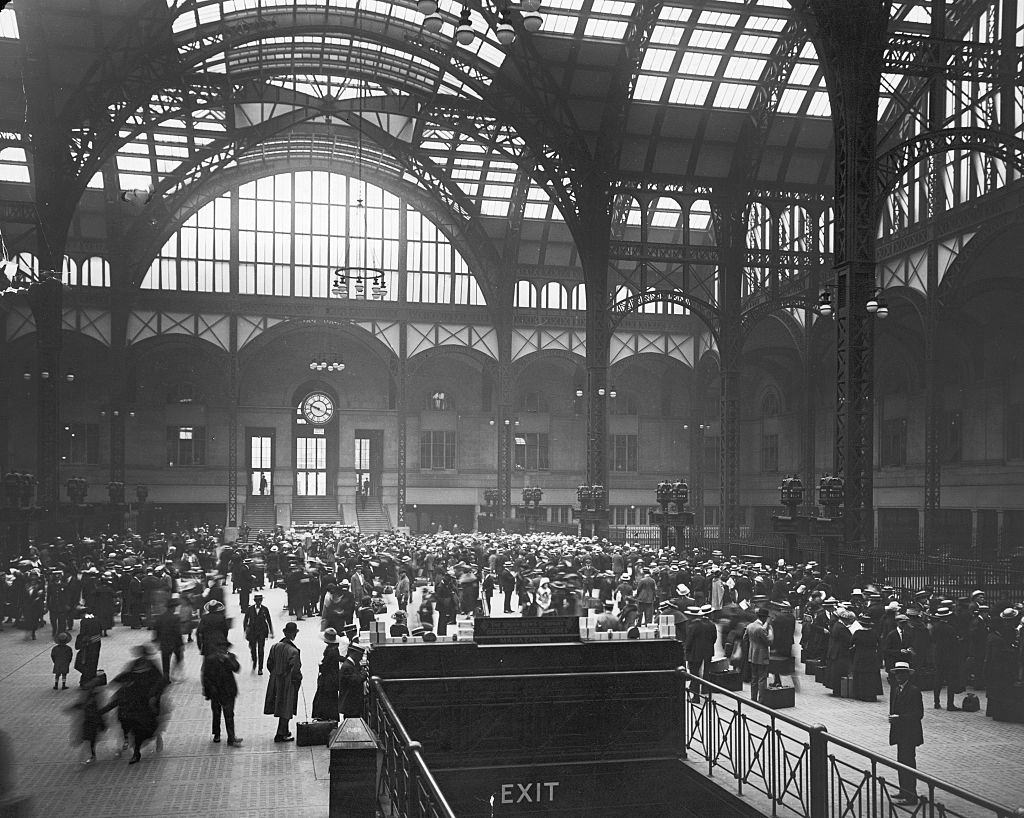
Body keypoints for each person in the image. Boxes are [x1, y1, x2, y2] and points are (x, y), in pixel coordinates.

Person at [103, 645, 167, 765]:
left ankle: (138, 750)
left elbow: (160, 682)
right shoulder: (135, 665)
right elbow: (125, 676)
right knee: (130, 723)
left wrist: (154, 695)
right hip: (134, 701)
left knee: (144, 725)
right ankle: (134, 746)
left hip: (146, 701)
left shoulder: (152, 667)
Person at [887, 661, 924, 806]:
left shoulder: (913, 691)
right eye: (897, 673)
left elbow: (918, 714)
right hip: (900, 733)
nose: (898, 676)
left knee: (908, 762)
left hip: (909, 733)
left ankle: (911, 795)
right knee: (901, 762)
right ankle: (904, 790)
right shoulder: (897, 689)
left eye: (901, 673)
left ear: (907, 674)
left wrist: (900, 718)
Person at [264, 621, 302, 742]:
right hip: (288, 682)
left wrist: (275, 674)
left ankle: (284, 730)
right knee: (287, 706)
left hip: (275, 681)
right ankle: (281, 734)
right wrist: (297, 681)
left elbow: (269, 663)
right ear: (293, 634)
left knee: (281, 706)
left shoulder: (275, 646)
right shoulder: (294, 651)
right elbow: (296, 670)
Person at [201, 641, 243, 746]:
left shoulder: (230, 657)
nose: (223, 651)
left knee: (229, 714)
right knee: (216, 713)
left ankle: (231, 737)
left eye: (225, 649)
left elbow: (237, 668)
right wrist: (207, 691)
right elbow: (205, 676)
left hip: (228, 691)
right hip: (215, 691)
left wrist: (228, 660)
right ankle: (217, 734)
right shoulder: (210, 660)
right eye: (220, 649)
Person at [65, 677, 106, 765]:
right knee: (88, 739)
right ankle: (91, 755)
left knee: (89, 739)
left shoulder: (94, 697)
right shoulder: (90, 695)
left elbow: (97, 709)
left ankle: (91, 756)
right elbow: (82, 704)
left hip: (92, 721)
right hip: (89, 720)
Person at [929, 607, 961, 711]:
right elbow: (954, 644)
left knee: (938, 679)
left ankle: (936, 702)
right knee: (950, 681)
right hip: (949, 656)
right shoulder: (950, 628)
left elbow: (932, 640)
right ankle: (950, 704)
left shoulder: (935, 627)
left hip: (938, 655)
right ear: (947, 616)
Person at [685, 605, 718, 702]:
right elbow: (714, 638)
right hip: (708, 652)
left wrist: (687, 651)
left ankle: (696, 696)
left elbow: (689, 641)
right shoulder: (711, 624)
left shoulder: (693, 626)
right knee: (706, 672)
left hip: (695, 653)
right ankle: (705, 689)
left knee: (694, 674)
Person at [310, 628, 342, 722]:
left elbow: (326, 665)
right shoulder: (334, 649)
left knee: (325, 699)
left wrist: (321, 666)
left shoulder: (330, 651)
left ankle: (325, 717)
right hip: (332, 678)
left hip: (328, 679)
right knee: (330, 699)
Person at [850, 614, 883, 702]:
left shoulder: (858, 633)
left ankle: (860, 693)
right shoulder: (874, 633)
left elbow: (851, 643)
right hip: (871, 656)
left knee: (860, 675)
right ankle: (871, 694)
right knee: (871, 675)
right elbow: (880, 644)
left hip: (860, 656)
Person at [152, 598, 184, 682]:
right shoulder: (175, 618)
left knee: (165, 661)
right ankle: (174, 673)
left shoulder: (160, 617)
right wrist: (181, 644)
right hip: (175, 643)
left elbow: (156, 629)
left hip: (164, 642)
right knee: (179, 658)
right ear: (173, 608)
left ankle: (166, 678)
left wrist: (156, 640)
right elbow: (178, 632)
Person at [243, 593, 274, 674]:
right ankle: (254, 660)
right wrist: (245, 630)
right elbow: (245, 620)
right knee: (253, 649)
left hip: (262, 632)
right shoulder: (250, 609)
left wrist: (271, 631)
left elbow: (269, 620)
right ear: (255, 601)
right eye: (257, 601)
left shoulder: (265, 609)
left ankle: (260, 668)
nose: (259, 602)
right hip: (252, 632)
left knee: (261, 650)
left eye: (260, 600)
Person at [74, 606, 103, 687]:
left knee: (85, 662)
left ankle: (86, 678)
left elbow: (82, 633)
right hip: (97, 642)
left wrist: (80, 643)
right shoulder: (96, 618)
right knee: (94, 661)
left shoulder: (84, 621)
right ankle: (91, 677)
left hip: (88, 644)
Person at [338, 643, 367, 719]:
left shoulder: (351, 665)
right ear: (355, 654)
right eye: (360, 655)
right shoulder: (348, 667)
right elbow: (356, 681)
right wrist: (364, 674)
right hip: (350, 704)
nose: (361, 658)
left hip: (351, 703)